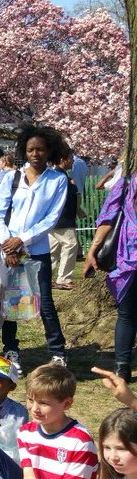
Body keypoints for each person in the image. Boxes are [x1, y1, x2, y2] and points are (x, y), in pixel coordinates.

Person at [0, 126, 70, 372]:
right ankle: (10, 350)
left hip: (38, 250)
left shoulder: (57, 180)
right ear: (24, 151)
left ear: (49, 151)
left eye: (41, 149)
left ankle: (57, 352)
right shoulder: (11, 178)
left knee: (44, 302)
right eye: (31, 149)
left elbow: (51, 219)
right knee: (10, 301)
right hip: (8, 250)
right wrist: (9, 245)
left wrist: (22, 240)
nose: (36, 154)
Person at [86, 163, 137, 382]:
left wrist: (93, 250)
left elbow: (108, 219)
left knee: (127, 314)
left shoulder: (126, 184)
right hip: (128, 256)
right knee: (127, 314)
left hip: (128, 256)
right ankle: (122, 366)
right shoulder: (125, 184)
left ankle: (122, 368)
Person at [50, 156, 83, 290]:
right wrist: (73, 187)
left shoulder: (57, 175)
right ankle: (64, 279)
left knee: (53, 250)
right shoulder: (61, 177)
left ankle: (45, 277)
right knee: (71, 245)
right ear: (63, 159)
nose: (73, 161)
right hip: (63, 219)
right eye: (70, 159)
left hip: (55, 220)